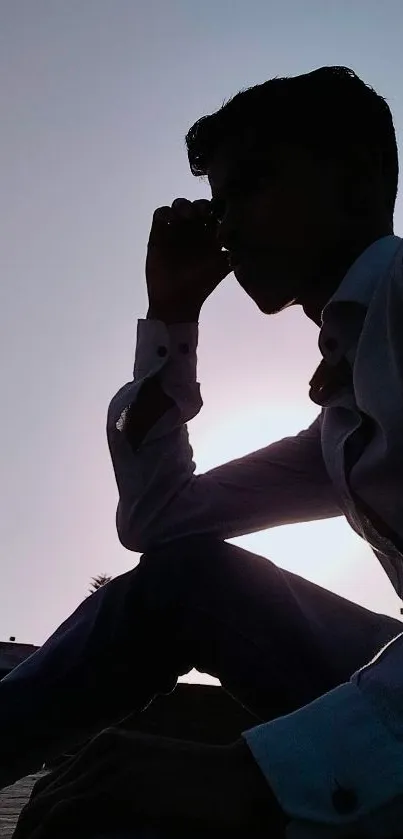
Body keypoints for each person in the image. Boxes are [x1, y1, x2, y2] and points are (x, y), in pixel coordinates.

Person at [2, 65, 403, 838]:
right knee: (186, 577)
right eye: (217, 203)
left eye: (251, 185)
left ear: (354, 180)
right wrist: (170, 316)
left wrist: (257, 771)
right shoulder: (339, 421)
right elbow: (162, 523)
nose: (225, 226)